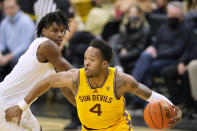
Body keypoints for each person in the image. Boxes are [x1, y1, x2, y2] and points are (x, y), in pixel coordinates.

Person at [5, 40, 182, 131]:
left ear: (105, 64)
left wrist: (173, 109)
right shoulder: (76, 77)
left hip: (117, 128)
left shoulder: (121, 81)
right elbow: (47, 82)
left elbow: (150, 95)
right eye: (85, 59)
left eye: (92, 59)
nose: (86, 63)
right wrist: (21, 106)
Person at [0, 11, 75, 131]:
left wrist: (82, 107)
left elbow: (65, 84)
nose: (60, 34)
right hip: (6, 104)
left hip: (19, 104)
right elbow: (75, 74)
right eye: (55, 30)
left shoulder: (42, 47)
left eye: (62, 31)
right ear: (44, 31)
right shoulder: (47, 46)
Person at [0, 0, 35, 81]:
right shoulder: (4, 23)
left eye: (12, 7)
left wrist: (7, 58)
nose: (9, 11)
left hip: (26, 60)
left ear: (18, 7)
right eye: (6, 8)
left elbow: (25, 45)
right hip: (10, 60)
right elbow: (2, 43)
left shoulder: (26, 21)